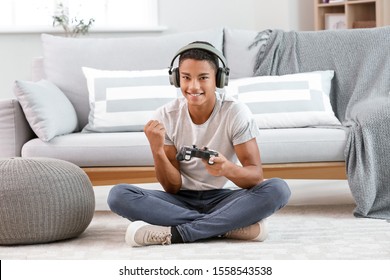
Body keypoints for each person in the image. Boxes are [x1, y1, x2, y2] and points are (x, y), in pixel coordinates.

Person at [107, 41, 291, 247]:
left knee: (278, 189)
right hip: (179, 200)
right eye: (186, 78)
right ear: (176, 79)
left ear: (218, 80)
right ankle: (227, 226)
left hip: (224, 199)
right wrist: (157, 150)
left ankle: (179, 233)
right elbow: (172, 187)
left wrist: (227, 169)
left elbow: (255, 176)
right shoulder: (165, 116)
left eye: (203, 78)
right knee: (119, 195)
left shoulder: (235, 112)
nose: (193, 86)